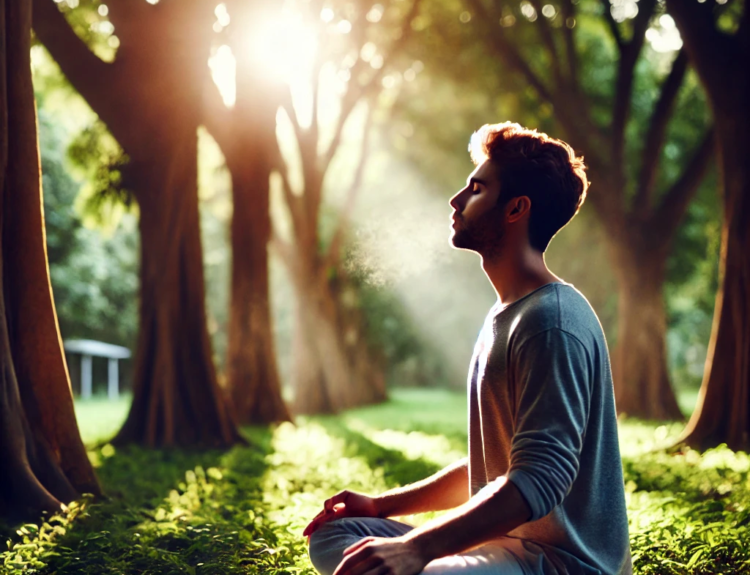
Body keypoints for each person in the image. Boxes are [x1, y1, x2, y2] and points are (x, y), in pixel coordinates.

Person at [303, 122, 631, 575]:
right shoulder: (507, 313)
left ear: (516, 209)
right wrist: (380, 506)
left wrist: (417, 549)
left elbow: (540, 477)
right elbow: (495, 471)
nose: (456, 200)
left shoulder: (551, 321)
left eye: (476, 189)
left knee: (413, 569)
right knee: (336, 536)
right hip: (501, 549)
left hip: (556, 564)